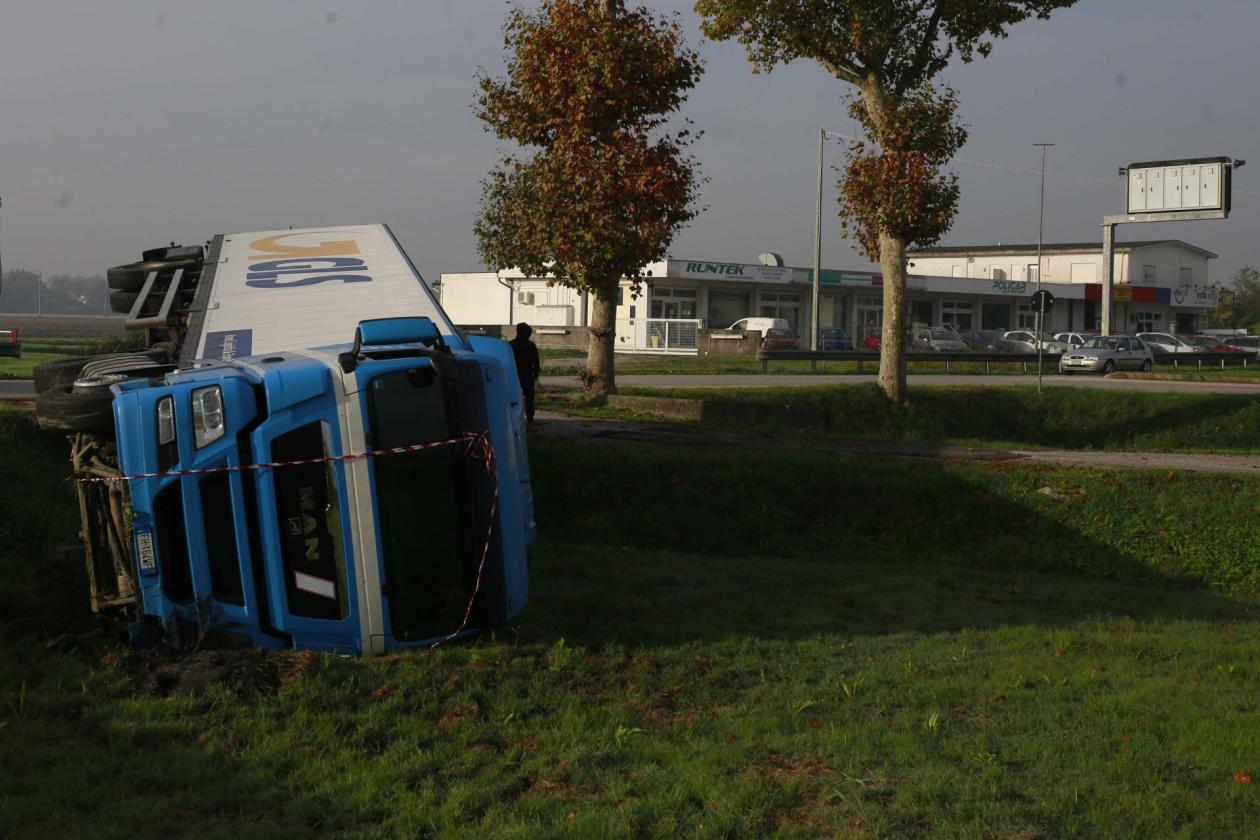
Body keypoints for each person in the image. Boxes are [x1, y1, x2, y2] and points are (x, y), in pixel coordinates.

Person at [509, 322, 541, 423]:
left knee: (512, 397)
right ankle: (530, 418)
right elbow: (536, 362)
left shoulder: (510, 345)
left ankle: (512, 417)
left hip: (514, 375)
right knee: (529, 398)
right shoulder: (531, 345)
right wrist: (535, 375)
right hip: (527, 375)